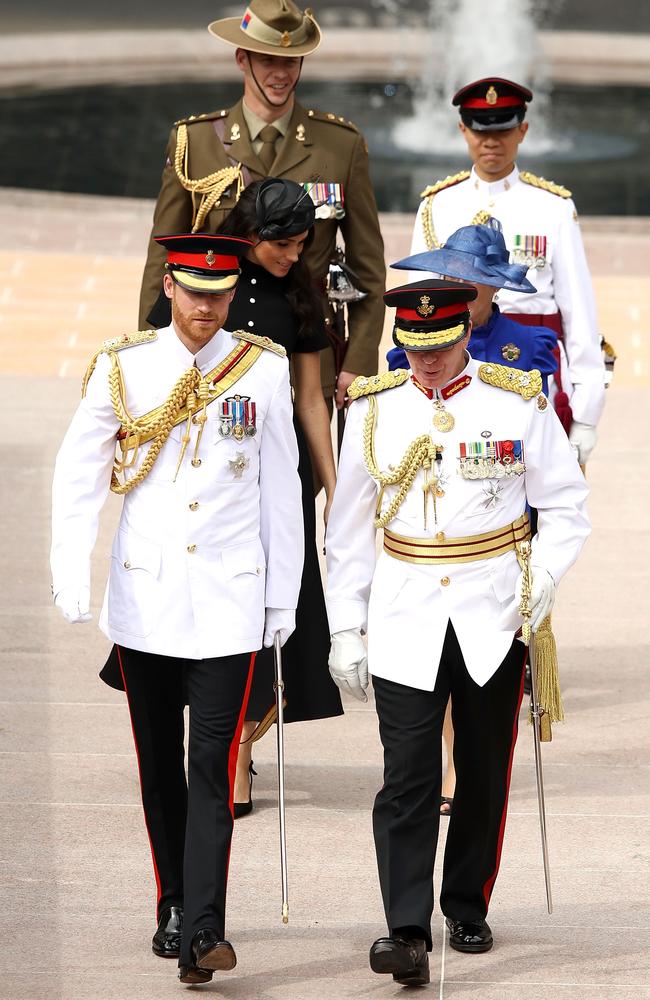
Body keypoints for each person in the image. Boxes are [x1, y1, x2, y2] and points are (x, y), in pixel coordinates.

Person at [51, 234, 304, 985]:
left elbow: (279, 491)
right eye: (194, 293)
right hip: (147, 597)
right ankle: (171, 902)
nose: (205, 309)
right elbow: (80, 472)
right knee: (160, 764)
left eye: (219, 295)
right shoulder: (123, 367)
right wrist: (72, 569)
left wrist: (282, 593)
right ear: (169, 286)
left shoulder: (262, 368)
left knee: (212, 766)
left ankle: (204, 930)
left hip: (230, 599)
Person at [325, 279, 589, 984]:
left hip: (493, 610)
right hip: (405, 608)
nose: (427, 362)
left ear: (465, 332)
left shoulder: (517, 400)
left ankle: (466, 901)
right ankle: (405, 929)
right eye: (413, 348)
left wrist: (544, 583)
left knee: (480, 772)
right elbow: (348, 529)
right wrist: (344, 626)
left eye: (439, 346)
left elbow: (566, 506)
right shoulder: (374, 410)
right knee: (406, 777)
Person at [386, 217, 558, 816]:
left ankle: (463, 768)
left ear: (495, 287)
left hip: (499, 527)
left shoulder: (528, 347)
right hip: (429, 532)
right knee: (432, 663)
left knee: (482, 664)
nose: (462, 286)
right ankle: (443, 762)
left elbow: (544, 445)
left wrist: (540, 563)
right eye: (452, 275)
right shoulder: (406, 345)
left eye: (475, 280)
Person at [139, 0, 386, 412]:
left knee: (305, 476)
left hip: (306, 356)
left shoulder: (341, 146)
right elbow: (162, 258)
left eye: (292, 61)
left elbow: (368, 268)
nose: (281, 73)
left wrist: (358, 362)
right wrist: (154, 349)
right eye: (269, 59)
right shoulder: (196, 142)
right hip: (212, 349)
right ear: (242, 58)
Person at [217, 177, 343, 811]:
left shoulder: (300, 299)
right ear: (252, 234)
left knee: (275, 605)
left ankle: (239, 754)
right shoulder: (205, 277)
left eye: (301, 244)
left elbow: (311, 399)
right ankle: (218, 741)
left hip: (278, 471)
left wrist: (333, 487)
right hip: (211, 473)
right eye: (283, 245)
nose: (294, 256)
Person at [409, 76, 605, 466]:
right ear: (463, 129)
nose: (491, 141)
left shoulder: (553, 207)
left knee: (543, 491)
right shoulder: (436, 205)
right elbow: (419, 304)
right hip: (454, 358)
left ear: (523, 130)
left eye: (503, 129)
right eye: (481, 131)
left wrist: (586, 413)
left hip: (535, 362)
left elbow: (579, 313)